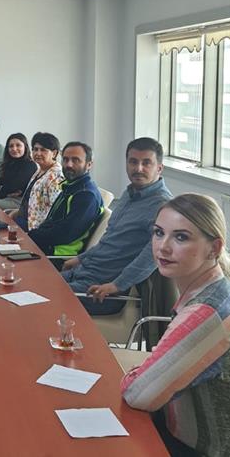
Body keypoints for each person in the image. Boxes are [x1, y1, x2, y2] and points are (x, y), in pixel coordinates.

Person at [121, 193, 230, 457]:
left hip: (198, 448)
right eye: (159, 233)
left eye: (181, 237)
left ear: (214, 248)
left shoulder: (206, 313)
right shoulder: (216, 288)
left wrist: (140, 374)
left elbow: (138, 394)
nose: (163, 247)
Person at [62, 138, 172, 315]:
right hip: (82, 272)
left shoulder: (163, 207)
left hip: (100, 290)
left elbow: (152, 256)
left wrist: (116, 285)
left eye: (146, 163)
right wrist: (81, 258)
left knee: (39, 298)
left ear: (159, 168)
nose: (138, 168)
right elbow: (110, 239)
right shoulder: (129, 194)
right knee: (28, 284)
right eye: (133, 162)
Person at [28, 142, 103, 256]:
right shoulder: (70, 186)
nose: (69, 165)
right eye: (65, 159)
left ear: (89, 165)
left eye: (75, 160)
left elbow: (65, 234)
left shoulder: (86, 195)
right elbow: (53, 222)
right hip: (46, 246)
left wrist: (31, 236)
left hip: (57, 256)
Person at [10, 132, 64, 231]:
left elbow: (55, 213)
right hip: (23, 220)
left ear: (54, 153)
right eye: (35, 149)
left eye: (43, 150)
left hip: (34, 229)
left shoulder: (56, 177)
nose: (38, 153)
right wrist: (16, 212)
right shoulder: (40, 170)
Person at [0, 133, 38, 211]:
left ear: (25, 147)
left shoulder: (30, 165)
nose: (14, 149)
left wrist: (3, 190)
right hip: (5, 199)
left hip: (19, 203)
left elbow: (13, 186)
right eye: (11, 146)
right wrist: (6, 192)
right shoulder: (8, 164)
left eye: (18, 145)